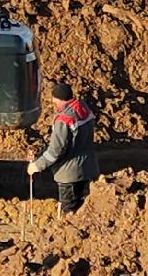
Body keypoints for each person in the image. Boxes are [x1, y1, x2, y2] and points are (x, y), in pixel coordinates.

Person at [27, 80, 99, 215]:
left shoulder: (63, 120)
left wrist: (36, 166)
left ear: (61, 100)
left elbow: (55, 151)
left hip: (68, 175)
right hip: (88, 169)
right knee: (83, 212)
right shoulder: (83, 108)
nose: (54, 106)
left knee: (69, 213)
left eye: (55, 103)